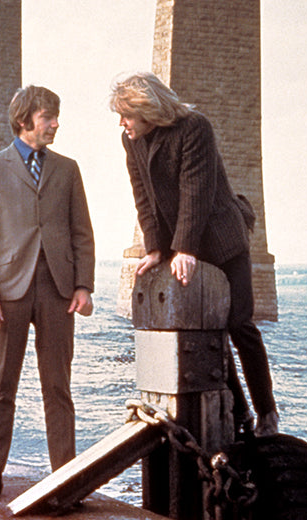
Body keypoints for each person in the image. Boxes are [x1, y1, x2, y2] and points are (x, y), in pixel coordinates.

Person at [110, 71, 279, 438]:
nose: (122, 124)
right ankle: (240, 414)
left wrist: (185, 248)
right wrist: (156, 247)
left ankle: (267, 412)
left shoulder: (194, 127)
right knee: (208, 334)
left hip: (221, 238)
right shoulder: (132, 140)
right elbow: (142, 194)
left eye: (126, 115)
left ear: (146, 109)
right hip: (178, 243)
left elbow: (196, 190)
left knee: (238, 323)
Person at [0, 85, 96, 501]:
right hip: (7, 292)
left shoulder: (68, 169)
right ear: (25, 121)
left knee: (58, 385)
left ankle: (66, 475)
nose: (55, 124)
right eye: (47, 117)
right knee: (1, 383)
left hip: (59, 290)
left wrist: (83, 286)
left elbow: (82, 234)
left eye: (55, 116)